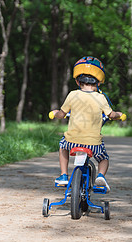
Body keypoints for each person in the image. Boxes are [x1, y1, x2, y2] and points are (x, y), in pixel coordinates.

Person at [49, 56, 123, 193]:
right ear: (99, 82)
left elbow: (62, 113)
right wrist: (119, 115)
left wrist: (55, 113)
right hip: (93, 145)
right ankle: (100, 177)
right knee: (104, 158)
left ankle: (64, 175)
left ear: (77, 81)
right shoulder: (101, 98)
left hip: (71, 142)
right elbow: (111, 114)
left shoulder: (72, 95)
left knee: (62, 147)